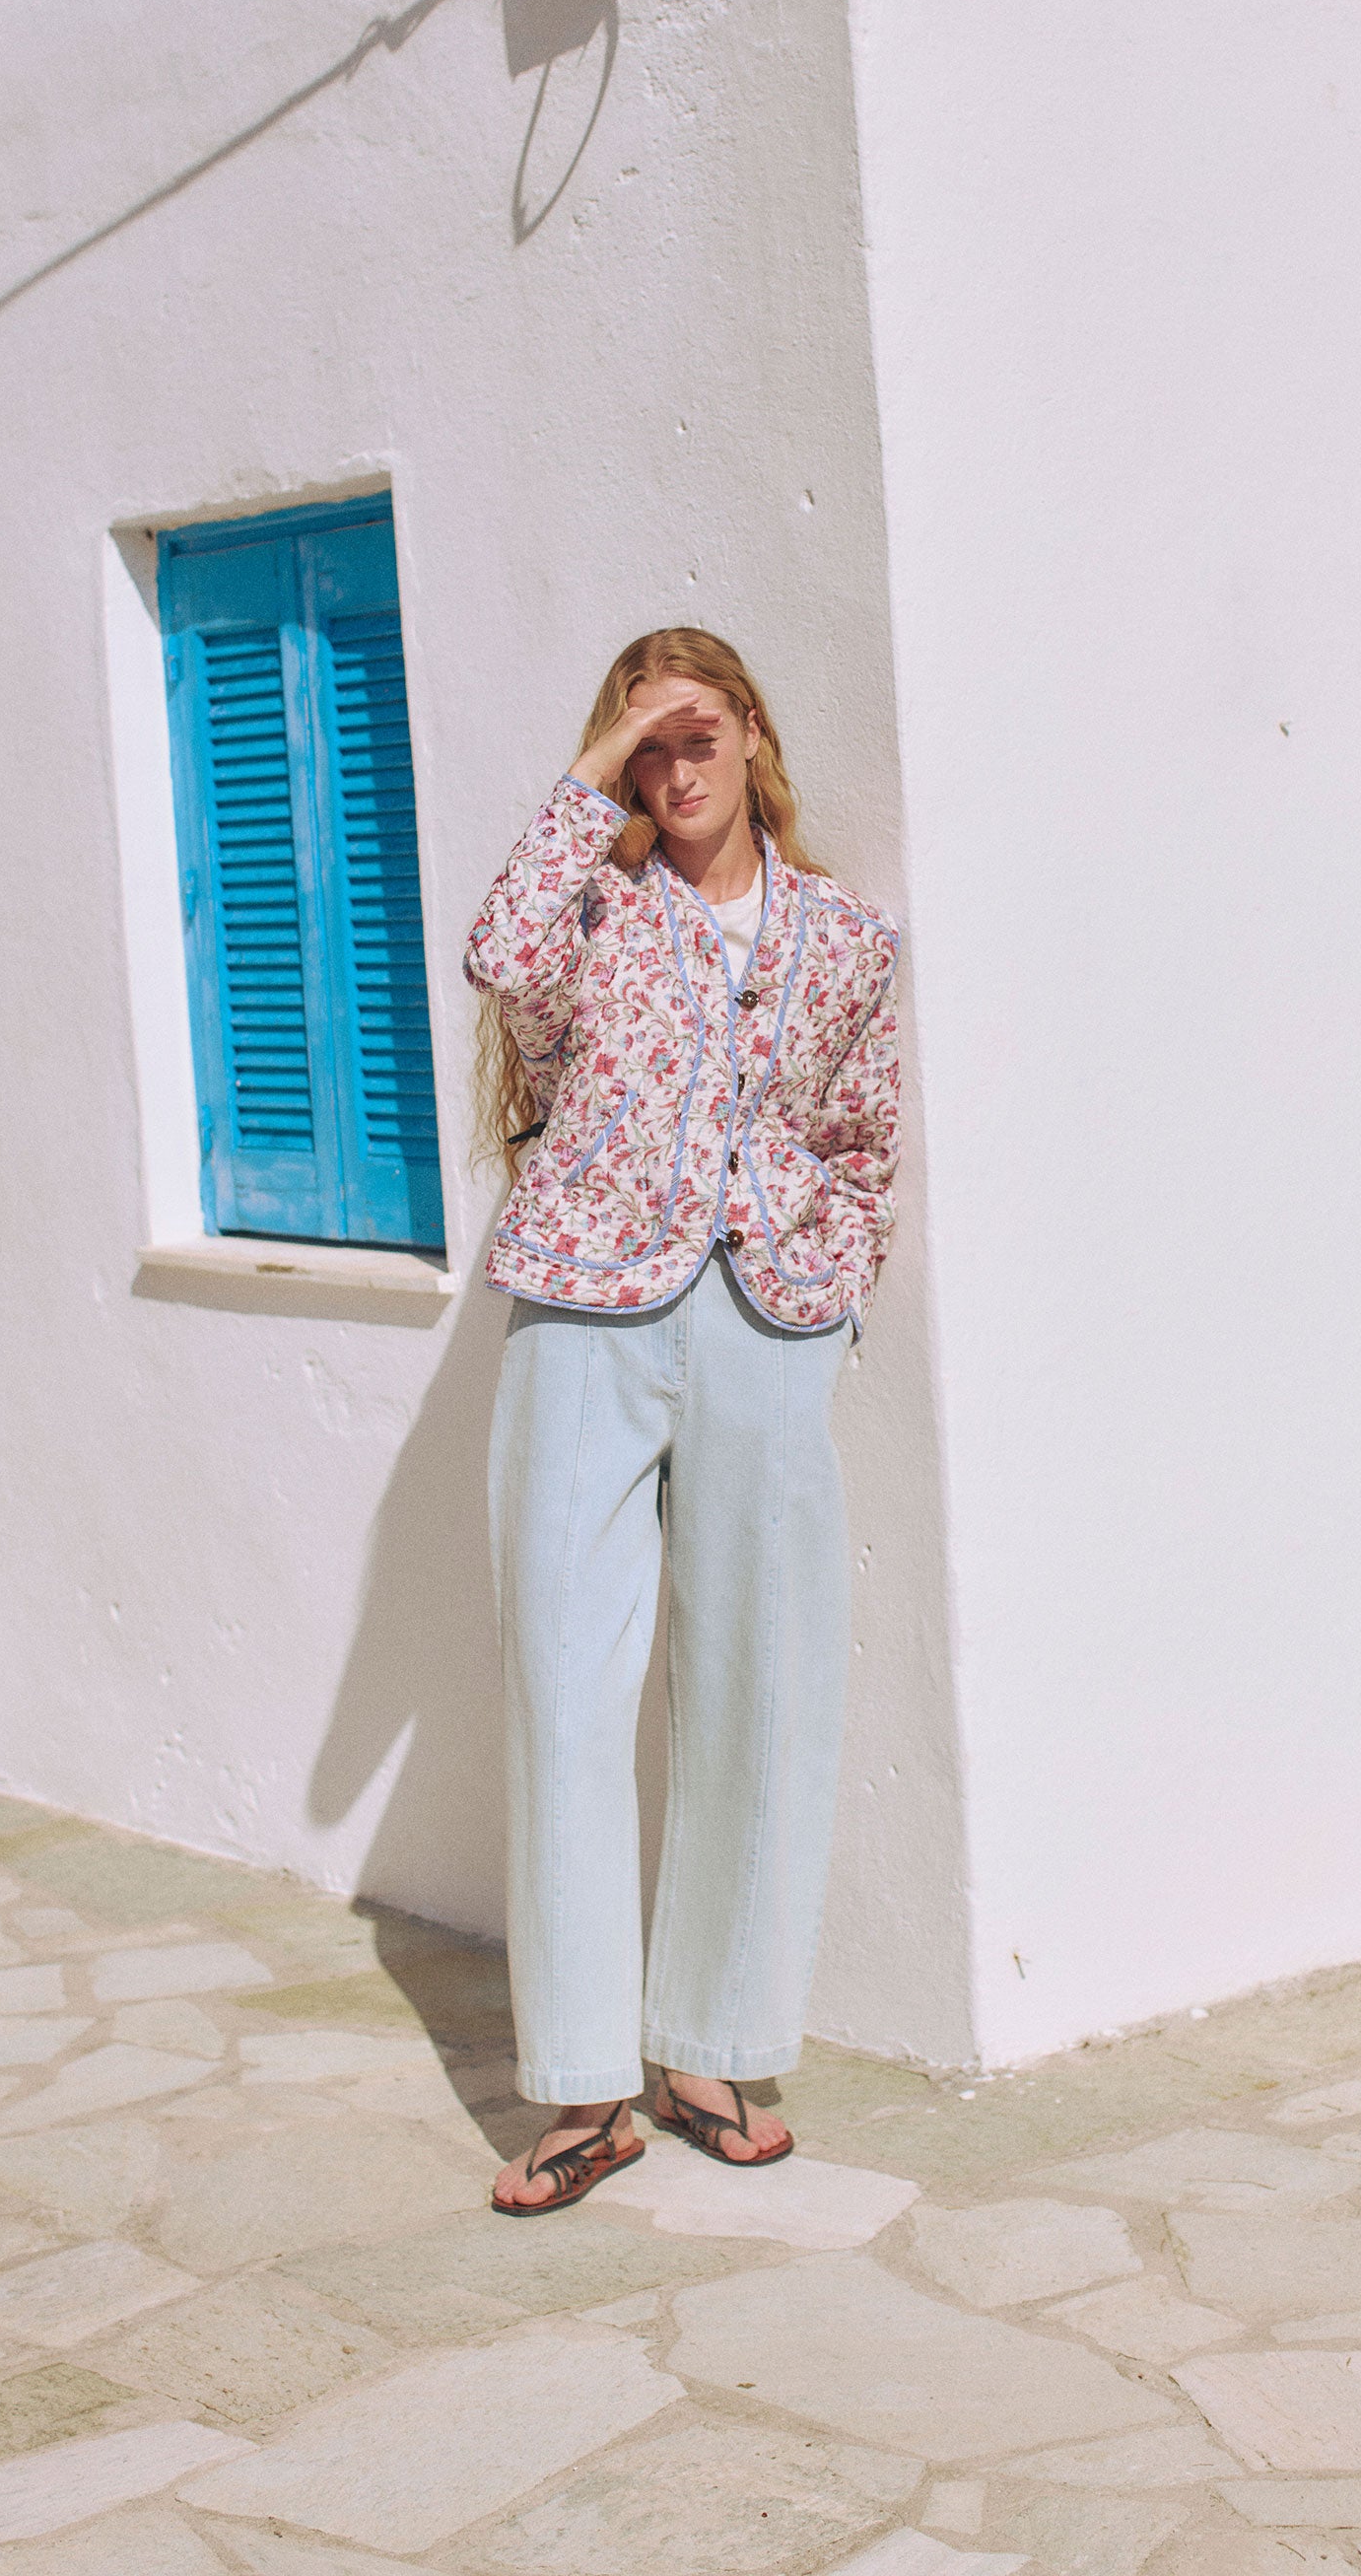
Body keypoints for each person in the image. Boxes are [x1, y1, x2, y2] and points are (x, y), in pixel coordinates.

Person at [464, 627, 902, 2214]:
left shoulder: (846, 936)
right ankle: (587, 2088)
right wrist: (594, 770)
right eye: (645, 743)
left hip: (768, 1317)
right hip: (586, 1308)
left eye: (697, 732)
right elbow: (497, 959)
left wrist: (835, 1278)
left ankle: (709, 2047)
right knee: (564, 1690)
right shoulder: (584, 907)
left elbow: (862, 1133)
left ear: (753, 736)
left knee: (761, 1685)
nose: (674, 767)